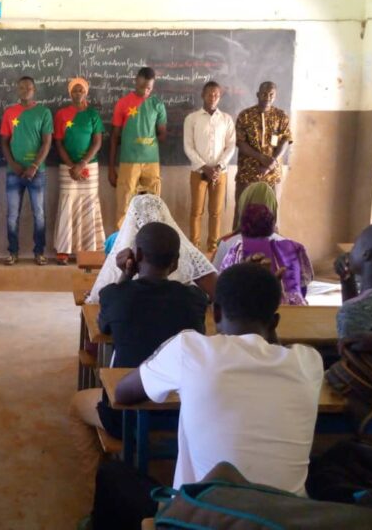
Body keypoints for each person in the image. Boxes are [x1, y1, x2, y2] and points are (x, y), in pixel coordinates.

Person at [91, 264, 324, 528]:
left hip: (205, 519)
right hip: (284, 520)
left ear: (215, 313)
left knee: (113, 475)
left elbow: (122, 392)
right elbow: (271, 349)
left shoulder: (191, 349)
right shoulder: (309, 362)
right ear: (274, 323)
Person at [69, 222, 207, 488]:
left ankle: (94, 495)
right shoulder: (194, 298)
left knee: (77, 405)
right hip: (182, 412)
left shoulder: (116, 295)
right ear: (176, 262)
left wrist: (124, 277)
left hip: (126, 413)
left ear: (137, 255)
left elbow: (104, 326)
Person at [86, 194, 217, 304]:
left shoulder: (126, 253)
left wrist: (126, 275)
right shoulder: (183, 252)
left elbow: (102, 301)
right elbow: (217, 292)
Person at [0, 76, 53, 265]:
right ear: (17, 90)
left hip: (37, 172)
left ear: (34, 90)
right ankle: (13, 252)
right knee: (12, 214)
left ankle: (39, 252)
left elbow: (47, 142)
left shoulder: (44, 112)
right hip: (13, 171)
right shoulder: (9, 113)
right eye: (21, 87)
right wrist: (13, 164)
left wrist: (34, 166)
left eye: (28, 87)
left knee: (39, 213)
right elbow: (4, 142)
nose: (25, 91)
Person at [53, 77, 105, 265]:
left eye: (81, 90)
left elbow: (97, 141)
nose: (78, 93)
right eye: (74, 90)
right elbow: (58, 142)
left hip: (89, 167)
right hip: (67, 167)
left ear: (86, 92)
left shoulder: (93, 115)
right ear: (69, 93)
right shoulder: (61, 114)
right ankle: (64, 250)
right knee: (68, 204)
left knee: (88, 205)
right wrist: (71, 166)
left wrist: (82, 164)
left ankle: (88, 250)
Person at [220, 204, 313, 305]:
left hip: (249, 312)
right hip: (293, 309)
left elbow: (224, 285)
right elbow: (303, 287)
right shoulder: (294, 247)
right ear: (272, 223)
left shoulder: (237, 249)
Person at [109, 67, 167, 227]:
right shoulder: (123, 103)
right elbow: (114, 136)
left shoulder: (157, 104)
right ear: (136, 81)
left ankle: (151, 243)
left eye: (149, 88)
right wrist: (111, 168)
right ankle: (121, 245)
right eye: (142, 87)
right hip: (129, 161)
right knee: (124, 205)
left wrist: (151, 139)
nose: (145, 91)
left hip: (151, 162)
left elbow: (162, 133)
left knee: (153, 205)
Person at [183, 81, 236, 253]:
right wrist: (204, 167)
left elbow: (230, 145)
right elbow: (188, 146)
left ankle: (213, 248)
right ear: (202, 95)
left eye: (216, 95)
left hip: (219, 173)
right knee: (196, 211)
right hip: (199, 172)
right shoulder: (192, 119)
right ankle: (194, 246)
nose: (213, 97)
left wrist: (219, 167)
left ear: (219, 97)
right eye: (209, 94)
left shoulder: (226, 119)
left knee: (216, 212)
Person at [233, 81, 293, 228]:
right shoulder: (245, 116)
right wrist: (261, 158)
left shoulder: (281, 116)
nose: (267, 97)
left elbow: (286, 140)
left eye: (271, 94)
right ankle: (239, 248)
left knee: (272, 214)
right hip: (248, 173)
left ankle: (271, 248)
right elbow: (240, 142)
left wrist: (271, 162)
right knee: (242, 213)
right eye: (264, 93)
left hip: (272, 174)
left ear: (275, 96)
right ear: (258, 95)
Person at [335, 222, 372, 339]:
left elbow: (349, 351)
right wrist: (347, 280)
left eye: (354, 247)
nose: (348, 253)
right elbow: (361, 304)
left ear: (366, 254)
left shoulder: (352, 312)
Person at [213, 181, 281, 269]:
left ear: (243, 207)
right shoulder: (288, 246)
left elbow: (214, 280)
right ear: (273, 209)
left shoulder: (228, 244)